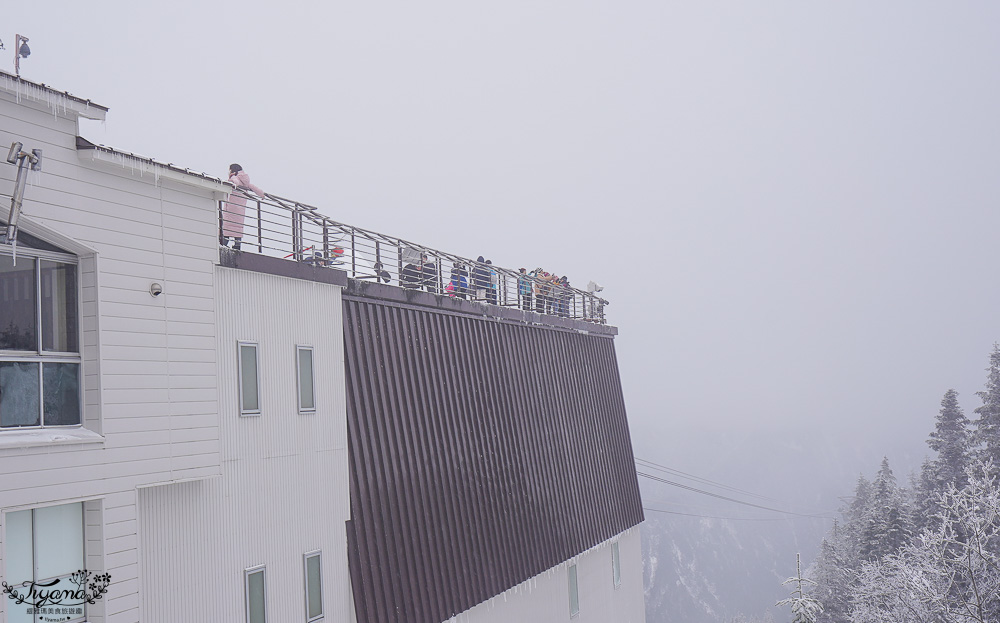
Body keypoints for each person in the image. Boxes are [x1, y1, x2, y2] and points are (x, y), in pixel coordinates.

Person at [221, 164, 265, 250]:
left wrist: (230, 179)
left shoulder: (234, 178)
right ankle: (237, 244)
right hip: (240, 209)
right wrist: (262, 195)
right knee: (238, 227)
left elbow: (235, 182)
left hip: (231, 207)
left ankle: (223, 244)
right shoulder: (246, 182)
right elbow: (255, 188)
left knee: (227, 227)